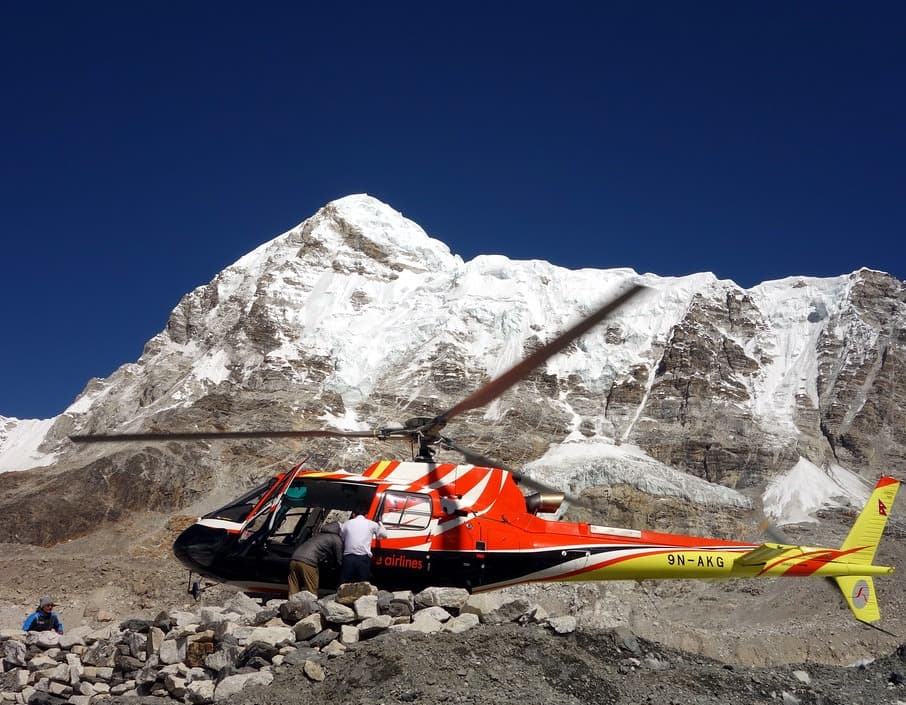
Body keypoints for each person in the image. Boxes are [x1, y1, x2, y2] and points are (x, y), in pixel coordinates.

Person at [287, 522, 343, 596]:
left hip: (294, 559)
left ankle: (291, 605)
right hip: (308, 563)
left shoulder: (317, 536)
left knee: (294, 585)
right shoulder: (335, 538)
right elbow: (339, 558)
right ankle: (311, 606)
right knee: (311, 589)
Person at [339, 512, 387, 584]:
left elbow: (342, 537)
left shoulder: (347, 523)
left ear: (353, 515)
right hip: (363, 559)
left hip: (349, 558)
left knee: (344, 582)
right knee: (363, 583)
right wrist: (380, 523)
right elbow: (384, 535)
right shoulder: (372, 524)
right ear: (366, 515)